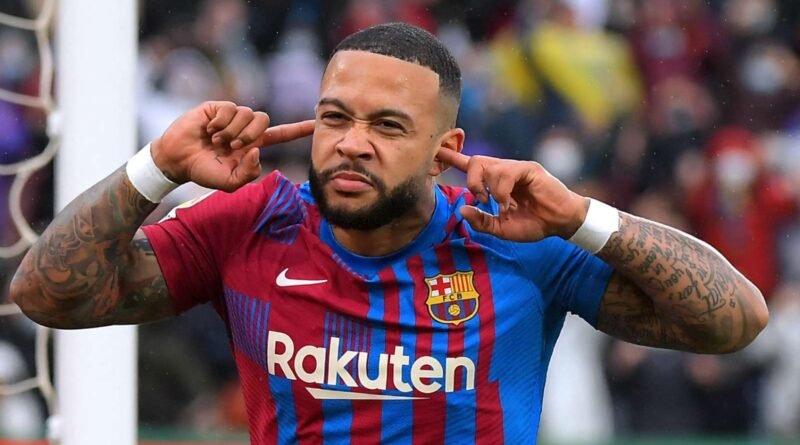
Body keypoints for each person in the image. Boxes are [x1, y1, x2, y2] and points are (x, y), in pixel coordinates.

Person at [9, 23, 768, 444]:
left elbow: (734, 321)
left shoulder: (513, 240)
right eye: (335, 117)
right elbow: (47, 295)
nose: (352, 143)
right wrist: (156, 168)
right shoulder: (252, 220)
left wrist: (580, 217)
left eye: (388, 126)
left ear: (446, 149)